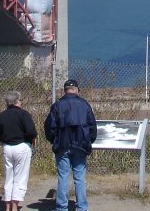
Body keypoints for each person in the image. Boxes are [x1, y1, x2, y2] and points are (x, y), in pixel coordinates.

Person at [44, 78, 97, 211]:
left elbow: (50, 126)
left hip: (62, 144)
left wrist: (53, 140)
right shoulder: (85, 105)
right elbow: (92, 126)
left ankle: (62, 207)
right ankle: (82, 207)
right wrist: (89, 140)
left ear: (65, 91)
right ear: (78, 90)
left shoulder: (57, 105)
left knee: (63, 176)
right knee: (79, 177)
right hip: (81, 145)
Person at [0, 90, 38, 211]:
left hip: (7, 147)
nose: (21, 102)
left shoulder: (1, 115)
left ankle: (7, 206)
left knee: (9, 177)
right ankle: (15, 206)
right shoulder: (23, 114)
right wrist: (31, 137)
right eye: (20, 100)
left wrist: (0, 140)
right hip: (21, 146)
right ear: (16, 101)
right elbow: (31, 131)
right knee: (20, 178)